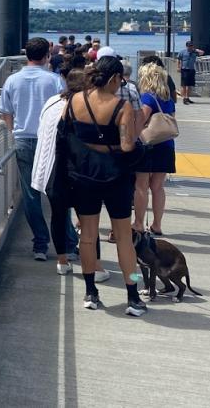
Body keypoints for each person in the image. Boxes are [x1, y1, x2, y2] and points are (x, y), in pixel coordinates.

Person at [63, 55, 148, 316]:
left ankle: (90, 293)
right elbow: (126, 145)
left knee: (87, 236)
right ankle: (133, 296)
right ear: (114, 78)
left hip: (83, 175)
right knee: (124, 237)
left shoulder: (74, 100)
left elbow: (66, 133)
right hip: (115, 178)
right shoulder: (120, 106)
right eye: (120, 80)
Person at [0, 37, 65, 260]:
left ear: (26, 54)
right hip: (51, 141)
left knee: (30, 194)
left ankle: (40, 245)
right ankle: (67, 245)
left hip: (23, 140)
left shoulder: (12, 80)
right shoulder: (55, 80)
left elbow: (6, 112)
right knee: (59, 193)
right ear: (47, 55)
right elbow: (65, 111)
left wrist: (11, 134)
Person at [32, 67, 94, 277]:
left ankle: (62, 261)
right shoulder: (84, 106)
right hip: (79, 172)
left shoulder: (51, 102)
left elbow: (43, 129)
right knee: (88, 220)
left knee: (58, 216)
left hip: (51, 170)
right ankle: (94, 265)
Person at [133, 63, 176, 235]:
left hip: (148, 146)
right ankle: (157, 224)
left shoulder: (147, 98)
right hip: (166, 145)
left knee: (141, 186)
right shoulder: (168, 99)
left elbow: (140, 121)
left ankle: (138, 223)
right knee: (158, 187)